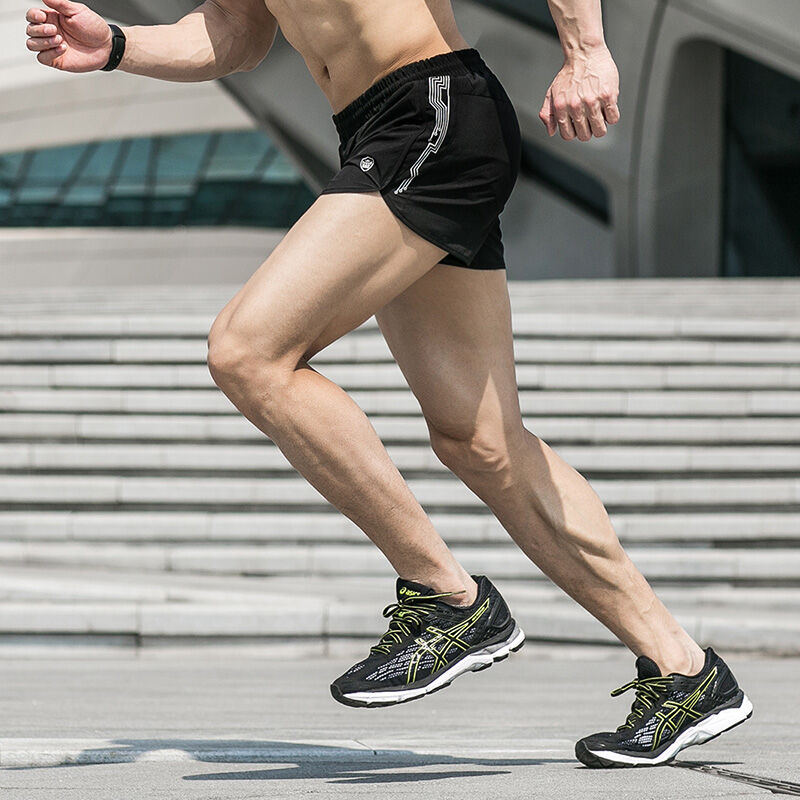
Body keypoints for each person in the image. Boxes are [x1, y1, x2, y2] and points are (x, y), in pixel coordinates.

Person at [25, 0, 752, 767]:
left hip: (431, 112)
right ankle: (687, 672)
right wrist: (117, 46)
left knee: (248, 352)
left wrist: (587, 52)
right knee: (483, 445)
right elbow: (238, 33)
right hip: (385, 129)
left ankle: (447, 599)